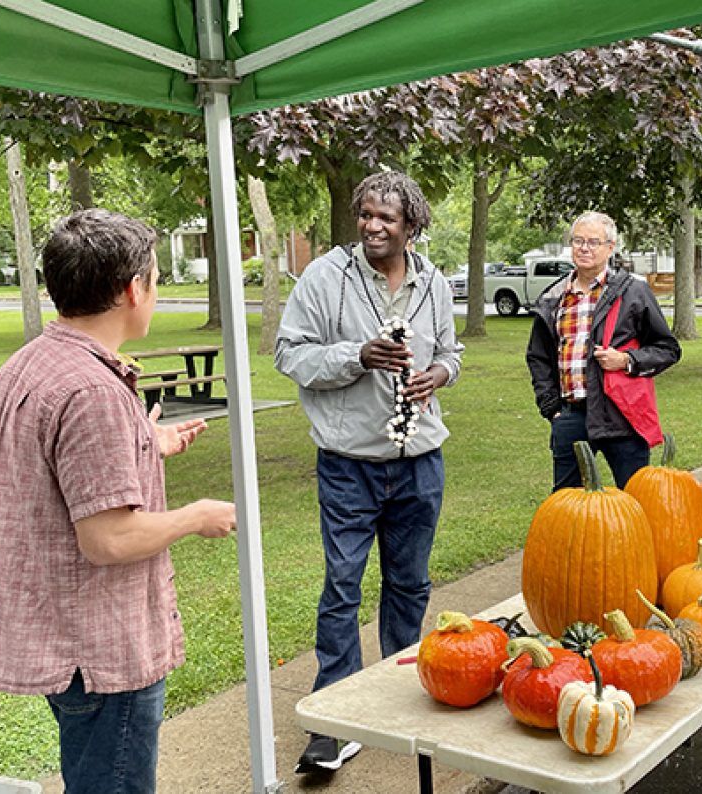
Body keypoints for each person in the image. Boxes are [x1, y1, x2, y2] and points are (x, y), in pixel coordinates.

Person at [0, 209, 238, 794]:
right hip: (99, 653)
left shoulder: (25, 367)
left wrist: (146, 445)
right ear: (131, 289)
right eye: (153, 278)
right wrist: (198, 516)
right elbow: (108, 539)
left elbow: (45, 478)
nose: (154, 290)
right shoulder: (92, 391)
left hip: (56, 636)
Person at [275, 171, 462, 774]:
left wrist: (439, 375)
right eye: (366, 215)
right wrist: (356, 356)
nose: (373, 226)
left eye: (387, 217)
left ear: (412, 225)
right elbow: (290, 353)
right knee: (342, 587)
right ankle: (335, 714)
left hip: (419, 463)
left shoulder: (432, 281)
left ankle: (400, 692)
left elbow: (451, 354)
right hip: (349, 465)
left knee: (410, 584)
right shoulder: (325, 277)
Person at [526, 211, 681, 490]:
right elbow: (538, 357)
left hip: (620, 414)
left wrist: (627, 360)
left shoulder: (633, 291)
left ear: (610, 248)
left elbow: (667, 349)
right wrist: (552, 409)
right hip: (571, 416)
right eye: (578, 240)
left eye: (593, 242)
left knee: (635, 497)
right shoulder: (554, 297)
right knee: (567, 503)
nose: (584, 248)